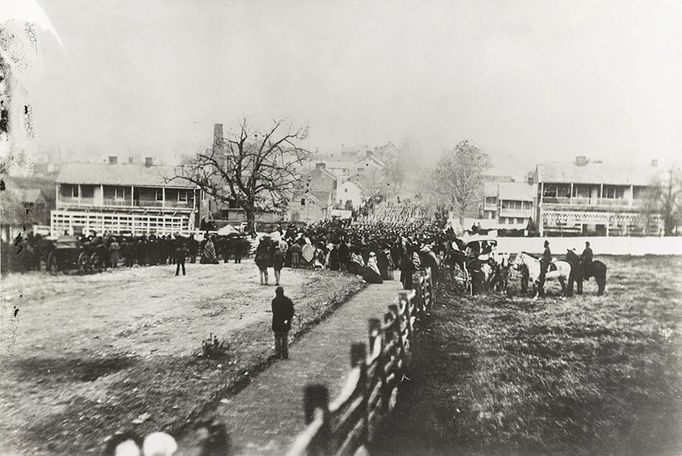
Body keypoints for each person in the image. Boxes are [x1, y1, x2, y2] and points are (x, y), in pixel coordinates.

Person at [271, 287, 294, 360]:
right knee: (285, 338)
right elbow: (292, 311)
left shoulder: (274, 301)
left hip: (277, 323)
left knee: (277, 339)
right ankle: (285, 354)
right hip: (285, 322)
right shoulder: (288, 301)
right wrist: (288, 319)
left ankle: (278, 354)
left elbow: (274, 312)